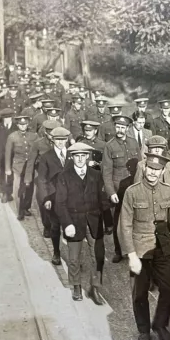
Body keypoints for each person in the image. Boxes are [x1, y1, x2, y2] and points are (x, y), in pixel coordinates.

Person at [118, 153, 170, 340]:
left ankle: (160, 324)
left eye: (157, 169)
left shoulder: (169, 191)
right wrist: (131, 255)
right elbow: (125, 225)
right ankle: (143, 329)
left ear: (163, 171)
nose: (153, 172)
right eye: (150, 168)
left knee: (169, 289)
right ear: (144, 168)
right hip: (140, 250)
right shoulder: (132, 192)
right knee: (140, 293)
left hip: (162, 249)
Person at [55, 142, 111, 304]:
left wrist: (108, 222)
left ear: (87, 157)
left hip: (94, 221)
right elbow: (60, 203)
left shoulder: (96, 175)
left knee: (98, 257)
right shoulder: (64, 177)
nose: (80, 159)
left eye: (83, 156)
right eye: (76, 156)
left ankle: (95, 288)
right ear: (72, 157)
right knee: (74, 258)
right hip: (74, 222)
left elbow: (103, 200)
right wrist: (67, 224)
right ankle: (76, 285)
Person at [101, 115, 140, 263]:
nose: (120, 130)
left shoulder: (133, 142)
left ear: (127, 128)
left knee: (135, 219)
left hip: (133, 187)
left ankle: (134, 250)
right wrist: (111, 192)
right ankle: (118, 251)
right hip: (118, 191)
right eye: (117, 127)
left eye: (123, 127)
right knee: (118, 221)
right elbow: (106, 172)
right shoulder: (109, 146)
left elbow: (140, 165)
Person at [37, 127, 72, 265]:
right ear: (52, 140)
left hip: (71, 197)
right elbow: (42, 180)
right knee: (56, 226)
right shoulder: (46, 157)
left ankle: (73, 256)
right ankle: (56, 252)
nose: (61, 142)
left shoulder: (72, 154)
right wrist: (46, 198)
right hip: (54, 197)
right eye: (58, 140)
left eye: (63, 139)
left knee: (71, 225)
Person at [24, 119, 61, 238]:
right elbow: (31, 161)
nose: (52, 136)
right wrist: (28, 178)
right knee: (43, 202)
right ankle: (47, 225)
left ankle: (58, 224)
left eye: (54, 133)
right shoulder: (38, 144)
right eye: (49, 133)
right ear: (45, 132)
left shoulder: (61, 143)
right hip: (43, 178)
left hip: (58, 178)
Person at [5, 115, 37, 220]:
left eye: (25, 124)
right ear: (17, 125)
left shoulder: (33, 136)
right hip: (18, 167)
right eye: (20, 124)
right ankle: (19, 211)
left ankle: (26, 208)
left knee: (29, 188)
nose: (23, 126)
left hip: (30, 166)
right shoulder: (12, 137)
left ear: (27, 124)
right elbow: (8, 153)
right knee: (18, 188)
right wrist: (8, 169)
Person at [0, 108, 18, 203]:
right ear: (3, 118)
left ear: (11, 118)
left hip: (12, 156)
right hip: (0, 156)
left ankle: (9, 193)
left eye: (9, 117)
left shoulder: (16, 128)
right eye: (5, 118)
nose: (7, 119)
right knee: (1, 174)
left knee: (10, 175)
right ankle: (4, 193)